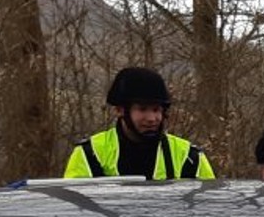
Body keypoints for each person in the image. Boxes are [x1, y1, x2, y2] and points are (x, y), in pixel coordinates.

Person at [63, 67, 215, 180]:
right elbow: (75, 209)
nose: (152, 118)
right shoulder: (90, 154)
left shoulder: (189, 156)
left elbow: (208, 208)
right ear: (120, 110)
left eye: (156, 110)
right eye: (142, 109)